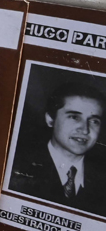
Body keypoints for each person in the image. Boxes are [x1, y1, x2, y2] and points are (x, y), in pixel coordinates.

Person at [9, 82, 106, 214]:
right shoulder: (16, 167)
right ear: (50, 120)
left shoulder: (101, 179)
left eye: (94, 121)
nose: (85, 129)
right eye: (74, 117)